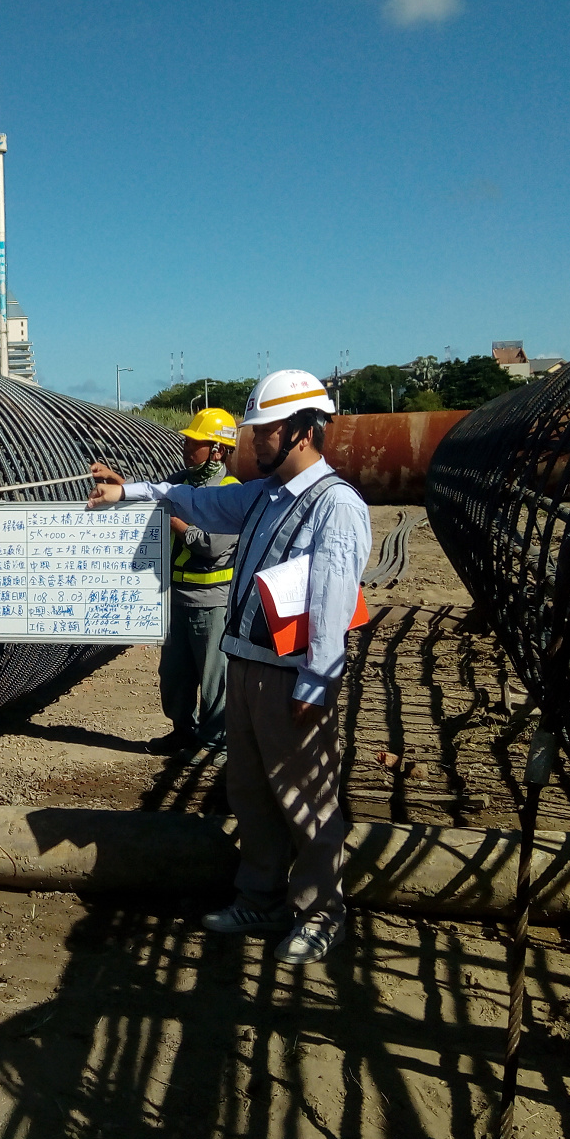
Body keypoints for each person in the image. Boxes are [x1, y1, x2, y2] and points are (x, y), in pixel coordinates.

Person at [87, 370, 370, 965]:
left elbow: (333, 600)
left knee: (305, 796)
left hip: (289, 677)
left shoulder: (335, 505)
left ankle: (322, 914)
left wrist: (317, 683)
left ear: (300, 431)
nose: (253, 442)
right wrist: (128, 491)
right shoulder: (264, 495)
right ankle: (261, 897)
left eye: (263, 431)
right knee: (250, 792)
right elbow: (198, 500)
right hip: (243, 664)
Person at [137, 408, 241, 765]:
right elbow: (151, 497)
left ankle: (215, 745)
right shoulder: (181, 484)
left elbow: (210, 545)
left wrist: (176, 519)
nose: (185, 447)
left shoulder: (231, 492)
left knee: (213, 677)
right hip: (177, 599)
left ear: (217, 450)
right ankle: (183, 730)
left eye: (192, 442)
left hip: (212, 603)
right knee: (174, 675)